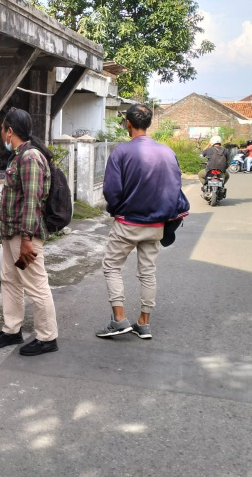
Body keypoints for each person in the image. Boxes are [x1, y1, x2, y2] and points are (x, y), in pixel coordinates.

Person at [96, 104, 190, 341]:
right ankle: (143, 323)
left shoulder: (121, 152)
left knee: (111, 266)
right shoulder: (167, 152)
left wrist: (116, 210)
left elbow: (112, 191)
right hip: (156, 224)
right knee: (148, 273)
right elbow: (175, 188)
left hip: (128, 222)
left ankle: (119, 319)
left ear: (128, 123)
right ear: (149, 123)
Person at [0, 107, 59, 356]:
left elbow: (32, 201)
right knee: (10, 280)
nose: (1, 134)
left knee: (36, 285)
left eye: (2, 129)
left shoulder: (30, 158)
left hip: (25, 236)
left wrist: (27, 238)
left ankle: (47, 337)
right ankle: (12, 330)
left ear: (10, 131)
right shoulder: (19, 156)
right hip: (13, 234)